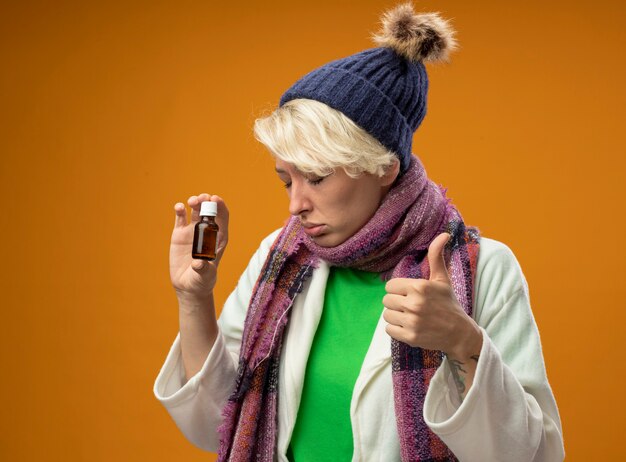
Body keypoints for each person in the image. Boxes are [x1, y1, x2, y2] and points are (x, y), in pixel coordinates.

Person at [153, 3, 564, 461]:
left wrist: (463, 344)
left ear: (384, 168)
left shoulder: (484, 268)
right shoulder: (280, 256)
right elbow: (217, 425)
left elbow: (531, 453)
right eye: (287, 180)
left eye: (318, 177)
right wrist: (194, 299)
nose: (296, 205)